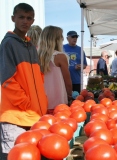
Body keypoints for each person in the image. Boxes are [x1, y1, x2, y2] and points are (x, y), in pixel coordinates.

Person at [0, 3, 48, 158]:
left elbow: (38, 78)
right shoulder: (8, 44)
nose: (25, 21)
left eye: (29, 18)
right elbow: (6, 80)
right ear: (13, 18)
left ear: (33, 21)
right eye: (21, 17)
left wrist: (42, 102)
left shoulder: (31, 47)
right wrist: (26, 102)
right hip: (15, 118)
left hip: (33, 116)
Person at [38, 26, 72, 114]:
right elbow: (67, 82)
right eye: (61, 36)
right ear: (56, 39)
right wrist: (69, 95)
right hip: (58, 101)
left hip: (40, 101)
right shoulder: (60, 56)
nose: (63, 38)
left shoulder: (35, 55)